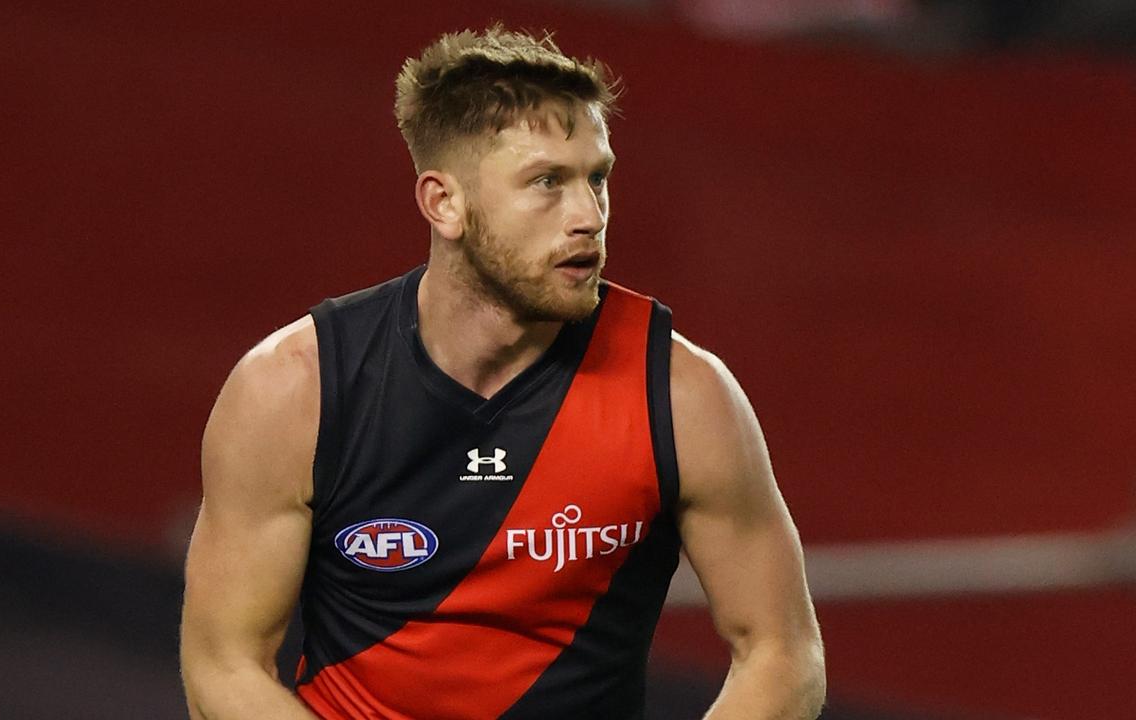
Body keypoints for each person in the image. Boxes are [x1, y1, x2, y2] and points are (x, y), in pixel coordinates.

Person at [180, 25, 824, 720]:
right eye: (547, 181)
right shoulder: (297, 389)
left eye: (597, 178)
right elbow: (224, 661)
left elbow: (781, 653)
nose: (589, 217)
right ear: (444, 203)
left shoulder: (680, 394)